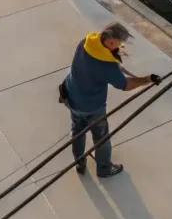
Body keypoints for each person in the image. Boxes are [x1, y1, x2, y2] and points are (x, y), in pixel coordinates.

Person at [61, 22, 160, 178]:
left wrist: (116, 62)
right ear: (110, 41)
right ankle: (104, 168)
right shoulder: (107, 67)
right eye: (117, 45)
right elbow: (125, 85)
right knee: (102, 137)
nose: (117, 49)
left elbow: (108, 60)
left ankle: (80, 163)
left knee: (77, 131)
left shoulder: (86, 42)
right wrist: (146, 80)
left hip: (71, 96)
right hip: (92, 107)